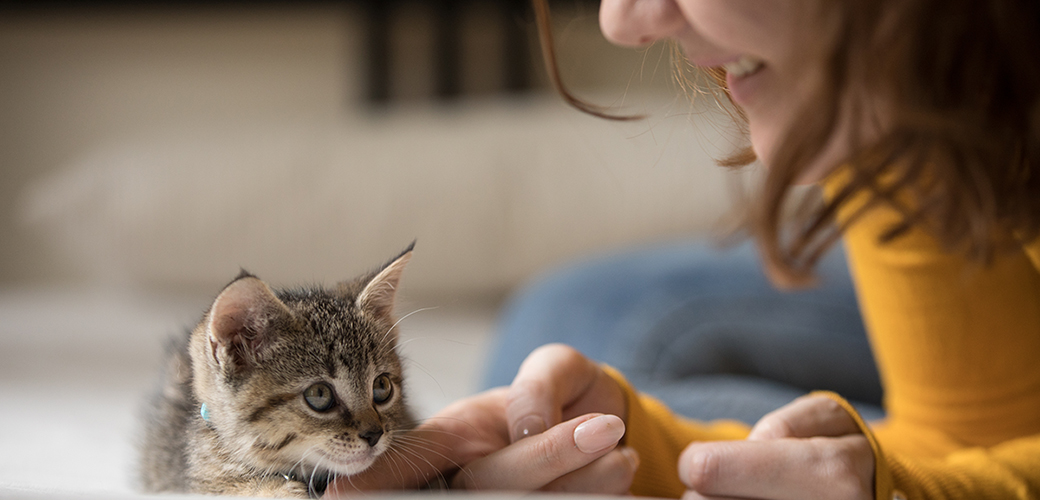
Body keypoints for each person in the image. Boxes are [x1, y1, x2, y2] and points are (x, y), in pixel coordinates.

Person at [328, 1, 1040, 498]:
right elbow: (974, 429)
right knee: (571, 331)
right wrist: (634, 444)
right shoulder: (898, 80)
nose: (621, 21)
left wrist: (898, 486)